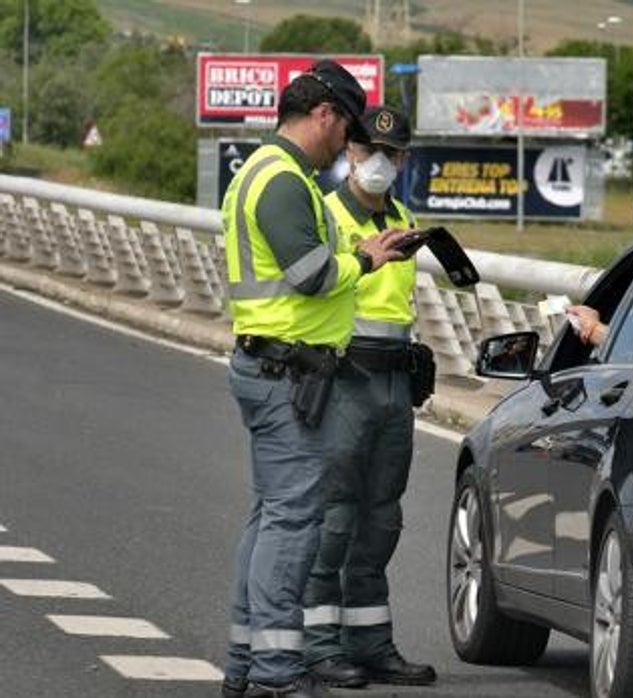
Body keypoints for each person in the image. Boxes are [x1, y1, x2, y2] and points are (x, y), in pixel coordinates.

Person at [220, 61, 411, 698]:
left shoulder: (271, 172)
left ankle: (248, 663)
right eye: (346, 129)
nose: (345, 145)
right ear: (324, 114)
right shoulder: (281, 180)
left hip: (278, 366)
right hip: (285, 371)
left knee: (272, 516)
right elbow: (311, 275)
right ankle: (275, 672)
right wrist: (363, 258)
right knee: (293, 522)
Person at [301, 106, 437, 688]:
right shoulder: (327, 214)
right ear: (349, 151)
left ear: (404, 160)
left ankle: (372, 644)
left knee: (382, 519)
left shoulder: (406, 219)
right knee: (334, 518)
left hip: (392, 386)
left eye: (392, 153)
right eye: (366, 149)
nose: (378, 161)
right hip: (343, 379)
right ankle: (319, 646)